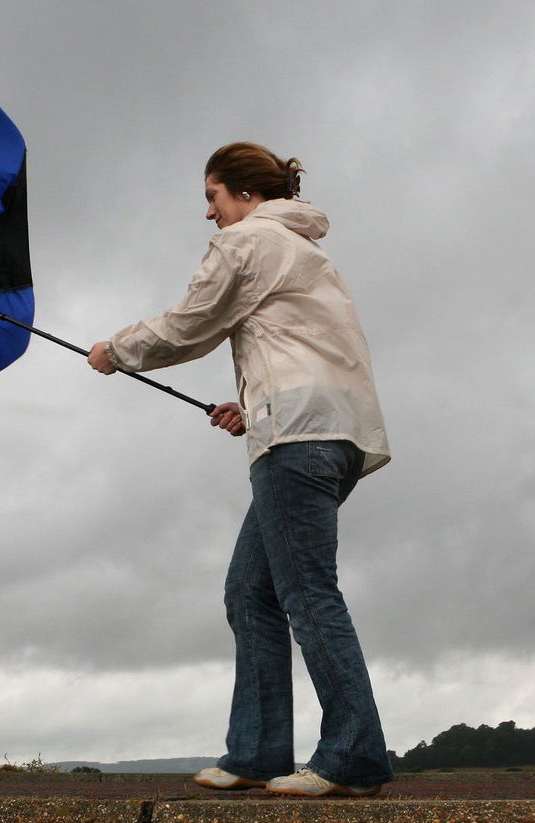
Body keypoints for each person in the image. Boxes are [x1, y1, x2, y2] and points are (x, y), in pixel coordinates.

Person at [86, 142, 393, 797]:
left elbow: (190, 324)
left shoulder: (246, 242)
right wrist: (252, 409)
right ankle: (257, 751)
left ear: (246, 195)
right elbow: (300, 347)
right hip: (329, 433)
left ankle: (355, 754)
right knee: (250, 593)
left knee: (308, 594)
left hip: (297, 436)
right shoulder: (303, 249)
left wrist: (117, 350)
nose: (208, 213)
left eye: (212, 196)